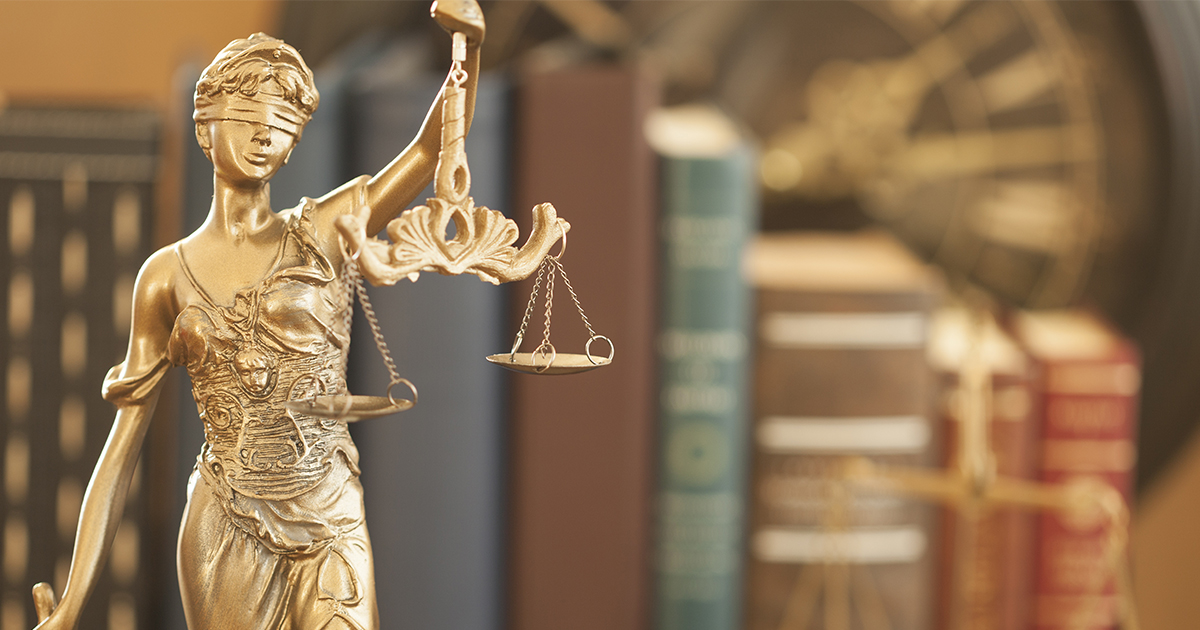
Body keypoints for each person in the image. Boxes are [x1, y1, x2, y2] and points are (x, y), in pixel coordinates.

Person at [33, 2, 485, 629]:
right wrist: (74, 602)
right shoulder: (165, 276)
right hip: (227, 525)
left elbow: (432, 149)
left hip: (329, 510)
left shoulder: (324, 231)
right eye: (245, 118)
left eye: (282, 123)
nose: (264, 134)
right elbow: (122, 449)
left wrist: (466, 53)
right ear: (205, 126)